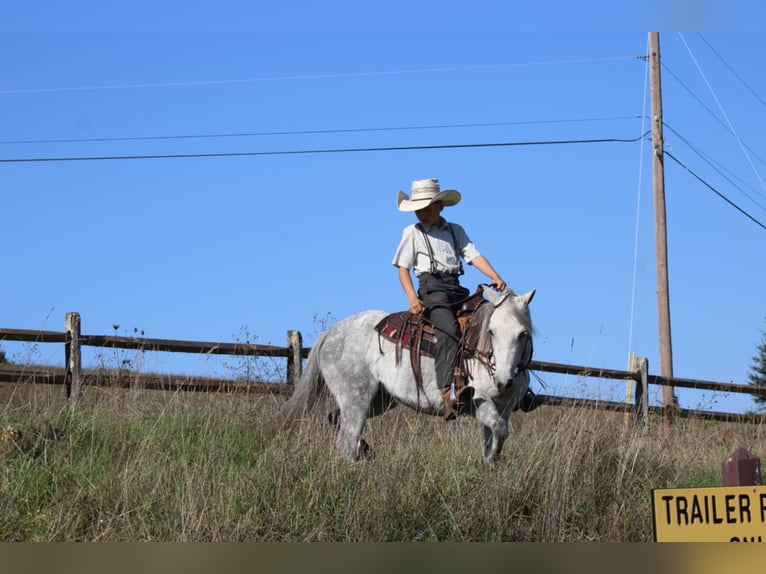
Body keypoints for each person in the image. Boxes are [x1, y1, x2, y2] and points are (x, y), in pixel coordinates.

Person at [392, 177, 540, 420]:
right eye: (418, 209)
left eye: (427, 208)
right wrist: (411, 297)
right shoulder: (412, 233)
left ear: (440, 206)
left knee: (495, 321)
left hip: (456, 289)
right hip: (432, 292)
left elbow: (473, 256)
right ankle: (447, 391)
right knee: (448, 329)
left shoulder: (455, 230)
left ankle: (519, 386)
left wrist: (495, 275)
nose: (422, 214)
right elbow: (402, 268)